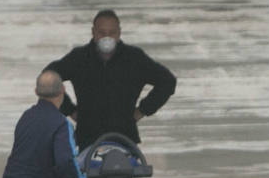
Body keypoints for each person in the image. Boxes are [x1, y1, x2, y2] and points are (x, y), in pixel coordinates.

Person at [43, 9, 176, 148]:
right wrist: (69, 109)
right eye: (101, 33)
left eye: (112, 33)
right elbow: (48, 78)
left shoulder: (134, 58)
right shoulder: (79, 58)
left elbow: (167, 81)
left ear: (119, 33)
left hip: (125, 138)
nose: (107, 38)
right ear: (93, 32)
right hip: (87, 138)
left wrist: (142, 110)